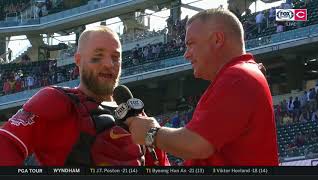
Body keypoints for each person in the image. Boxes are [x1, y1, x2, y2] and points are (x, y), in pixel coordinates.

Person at [124, 8, 279, 166]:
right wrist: (153, 146)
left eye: (191, 44)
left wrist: (151, 133)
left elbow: (197, 144)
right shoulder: (242, 74)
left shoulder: (237, 76)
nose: (186, 54)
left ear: (217, 39)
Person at [0, 26, 169, 166]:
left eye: (116, 58)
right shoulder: (55, 100)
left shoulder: (139, 117)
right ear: (78, 61)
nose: (109, 64)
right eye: (97, 57)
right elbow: (5, 145)